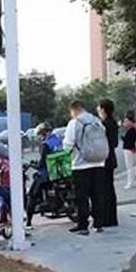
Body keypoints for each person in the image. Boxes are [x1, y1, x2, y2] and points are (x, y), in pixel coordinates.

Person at [64, 100, 106, 235]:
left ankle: (83, 225)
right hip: (99, 163)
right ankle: (98, 224)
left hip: (81, 165)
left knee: (82, 197)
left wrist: (68, 154)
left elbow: (68, 145)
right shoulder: (97, 121)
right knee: (97, 195)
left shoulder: (75, 123)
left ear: (73, 110)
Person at [26, 122, 62, 228]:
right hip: (59, 172)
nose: (39, 137)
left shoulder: (45, 145)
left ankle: (28, 222)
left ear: (44, 133)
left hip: (46, 175)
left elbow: (42, 164)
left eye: (40, 134)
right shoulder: (57, 140)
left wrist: (33, 165)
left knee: (31, 196)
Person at [97, 99, 119, 228]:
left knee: (104, 190)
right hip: (111, 158)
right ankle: (112, 218)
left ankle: (106, 219)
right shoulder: (114, 123)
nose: (98, 110)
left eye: (99, 108)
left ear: (103, 109)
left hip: (104, 159)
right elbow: (115, 143)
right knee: (109, 189)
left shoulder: (103, 125)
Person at [121, 112, 136, 189]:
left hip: (129, 149)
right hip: (130, 149)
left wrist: (123, 137)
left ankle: (130, 182)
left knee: (129, 167)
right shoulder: (131, 129)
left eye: (126, 121)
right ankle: (131, 181)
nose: (125, 123)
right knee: (131, 166)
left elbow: (128, 140)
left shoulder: (131, 130)